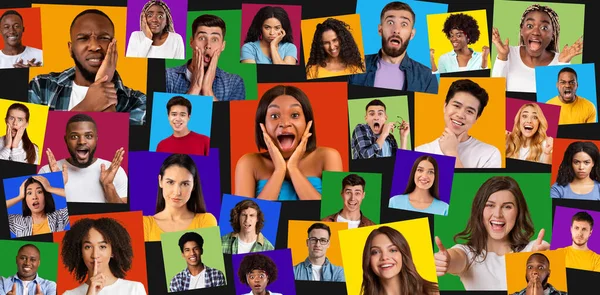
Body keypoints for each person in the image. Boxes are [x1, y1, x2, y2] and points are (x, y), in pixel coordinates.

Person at [28, 9, 146, 125]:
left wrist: (104, 89)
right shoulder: (41, 87)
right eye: (83, 38)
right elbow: (31, 141)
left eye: (104, 38)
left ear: (114, 45)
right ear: (70, 48)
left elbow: (117, 143)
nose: (94, 46)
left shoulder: (139, 102)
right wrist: (87, 106)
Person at [434, 176, 550, 290]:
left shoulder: (533, 250)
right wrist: (446, 260)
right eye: (490, 205)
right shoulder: (469, 254)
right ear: (479, 210)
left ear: (518, 212)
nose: (498, 214)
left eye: (507, 207)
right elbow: (456, 257)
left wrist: (543, 258)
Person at [234, 85, 343, 201]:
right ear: (262, 124)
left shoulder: (328, 157)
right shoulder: (248, 163)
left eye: (295, 115)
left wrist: (293, 168)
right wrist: (279, 170)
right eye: (274, 116)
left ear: (307, 122)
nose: (285, 123)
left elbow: (334, 217)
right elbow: (242, 218)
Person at [348, 1, 437, 94]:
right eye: (390, 22)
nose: (396, 30)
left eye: (404, 24)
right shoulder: (355, 66)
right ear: (380, 30)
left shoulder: (427, 77)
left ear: (412, 34)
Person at [491, 4, 583, 93]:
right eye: (530, 26)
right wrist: (502, 58)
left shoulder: (560, 61)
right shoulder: (507, 54)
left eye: (544, 27)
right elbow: (495, 93)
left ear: (552, 35)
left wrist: (563, 63)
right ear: (521, 30)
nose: (535, 32)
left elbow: (559, 102)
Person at [37, 114, 127, 204]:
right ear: (66, 140)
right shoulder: (47, 171)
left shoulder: (114, 171)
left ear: (96, 139)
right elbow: (40, 215)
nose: (82, 142)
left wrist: (108, 185)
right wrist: (57, 185)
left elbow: (125, 214)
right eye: (74, 137)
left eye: (88, 136)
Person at [415, 79, 501, 168]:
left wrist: (451, 153)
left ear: (476, 118)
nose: (460, 115)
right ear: (445, 106)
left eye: (469, 111)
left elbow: (466, 183)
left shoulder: (490, 154)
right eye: (456, 106)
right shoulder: (419, 151)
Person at [165, 14, 245, 101]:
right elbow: (162, 114)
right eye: (202, 38)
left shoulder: (234, 83)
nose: (208, 45)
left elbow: (228, 115)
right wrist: (195, 87)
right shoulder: (167, 77)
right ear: (192, 42)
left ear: (223, 46)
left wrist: (207, 90)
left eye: (214, 39)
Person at [60, 218, 146, 295]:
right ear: (80, 252)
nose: (95, 255)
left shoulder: (134, 289)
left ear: (112, 252)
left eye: (102, 247)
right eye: (88, 247)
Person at [143, 154, 217, 242]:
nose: (177, 192)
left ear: (193, 185)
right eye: (170, 182)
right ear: (160, 181)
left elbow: (210, 256)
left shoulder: (206, 221)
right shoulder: (144, 224)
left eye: (185, 184)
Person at [361, 226, 440, 295]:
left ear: (403, 254)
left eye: (392, 250)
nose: (384, 257)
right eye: (375, 252)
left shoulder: (433, 292)